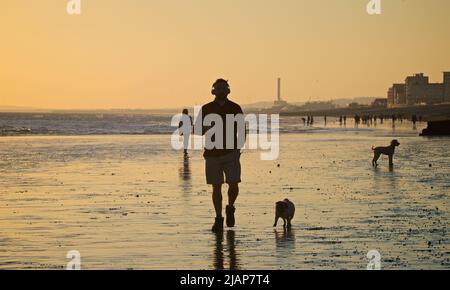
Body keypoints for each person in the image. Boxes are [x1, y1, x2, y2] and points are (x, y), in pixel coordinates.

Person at [195, 79, 244, 232]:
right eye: (218, 88)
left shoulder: (235, 107)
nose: (221, 90)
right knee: (216, 187)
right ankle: (218, 218)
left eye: (224, 88)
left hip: (231, 153)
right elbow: (197, 131)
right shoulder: (206, 108)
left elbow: (242, 130)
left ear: (228, 91)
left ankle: (230, 207)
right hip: (212, 154)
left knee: (234, 184)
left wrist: (238, 149)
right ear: (213, 91)